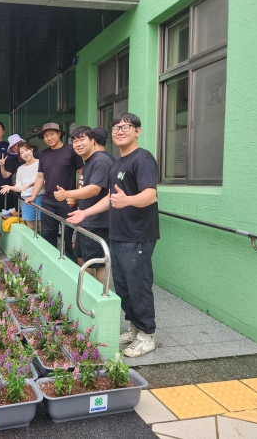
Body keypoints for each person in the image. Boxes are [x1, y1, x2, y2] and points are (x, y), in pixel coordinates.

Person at [67, 113, 159, 358]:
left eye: (126, 127)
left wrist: (128, 200)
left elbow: (150, 194)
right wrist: (85, 213)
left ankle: (147, 336)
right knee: (124, 286)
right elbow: (110, 198)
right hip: (118, 234)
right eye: (116, 127)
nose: (120, 131)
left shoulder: (142, 158)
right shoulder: (117, 164)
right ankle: (134, 328)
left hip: (137, 235)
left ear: (137, 131)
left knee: (138, 285)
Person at [54, 126, 113, 284]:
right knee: (84, 260)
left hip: (97, 222)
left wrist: (68, 194)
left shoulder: (100, 161)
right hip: (85, 219)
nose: (78, 144)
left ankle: (101, 296)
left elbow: (94, 189)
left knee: (99, 263)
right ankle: (89, 292)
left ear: (93, 141)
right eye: (75, 141)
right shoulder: (89, 161)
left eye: (82, 139)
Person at [25, 122, 83, 261]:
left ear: (59, 134)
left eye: (51, 134)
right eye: (46, 136)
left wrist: (75, 196)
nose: (49, 138)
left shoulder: (71, 150)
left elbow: (81, 173)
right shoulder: (44, 154)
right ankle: (49, 263)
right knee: (47, 235)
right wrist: (33, 196)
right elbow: (40, 177)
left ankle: (70, 265)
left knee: (68, 236)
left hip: (67, 201)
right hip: (48, 201)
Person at [0, 142, 43, 231]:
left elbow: (46, 180)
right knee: (30, 227)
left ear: (31, 149)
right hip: (26, 199)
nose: (25, 154)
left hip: (41, 196)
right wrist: (10, 187)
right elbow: (20, 187)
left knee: (43, 225)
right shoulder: (20, 169)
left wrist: (33, 183)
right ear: (20, 156)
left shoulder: (41, 163)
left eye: (26, 150)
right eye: (21, 153)